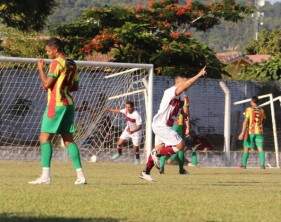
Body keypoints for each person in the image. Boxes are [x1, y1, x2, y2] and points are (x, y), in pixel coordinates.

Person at [29, 37, 86, 185]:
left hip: (56, 105)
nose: (47, 54)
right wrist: (60, 86)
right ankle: (80, 176)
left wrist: (41, 69)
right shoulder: (72, 63)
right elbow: (75, 87)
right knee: (68, 140)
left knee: (44, 138)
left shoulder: (56, 63)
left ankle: (45, 176)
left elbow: (47, 84)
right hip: (69, 104)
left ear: (55, 49)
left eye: (48, 51)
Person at [139, 66, 206, 181]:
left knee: (160, 147)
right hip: (161, 125)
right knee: (180, 145)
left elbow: (182, 112)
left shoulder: (181, 96)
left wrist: (186, 123)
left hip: (162, 126)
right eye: (184, 81)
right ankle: (157, 153)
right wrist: (199, 75)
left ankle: (145, 172)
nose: (186, 84)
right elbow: (187, 84)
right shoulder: (171, 91)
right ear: (178, 82)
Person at [159, 96, 190, 174]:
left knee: (167, 146)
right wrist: (187, 127)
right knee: (180, 148)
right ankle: (181, 169)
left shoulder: (168, 99)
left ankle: (161, 166)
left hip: (167, 126)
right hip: (178, 125)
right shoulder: (183, 98)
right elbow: (186, 114)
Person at [238, 96, 266, 169]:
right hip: (259, 132)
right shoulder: (262, 110)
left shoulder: (249, 109)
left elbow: (245, 121)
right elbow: (263, 121)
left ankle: (244, 165)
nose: (250, 102)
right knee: (260, 148)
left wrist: (242, 133)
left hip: (251, 132)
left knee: (246, 148)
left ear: (252, 102)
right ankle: (262, 165)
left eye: (251, 101)